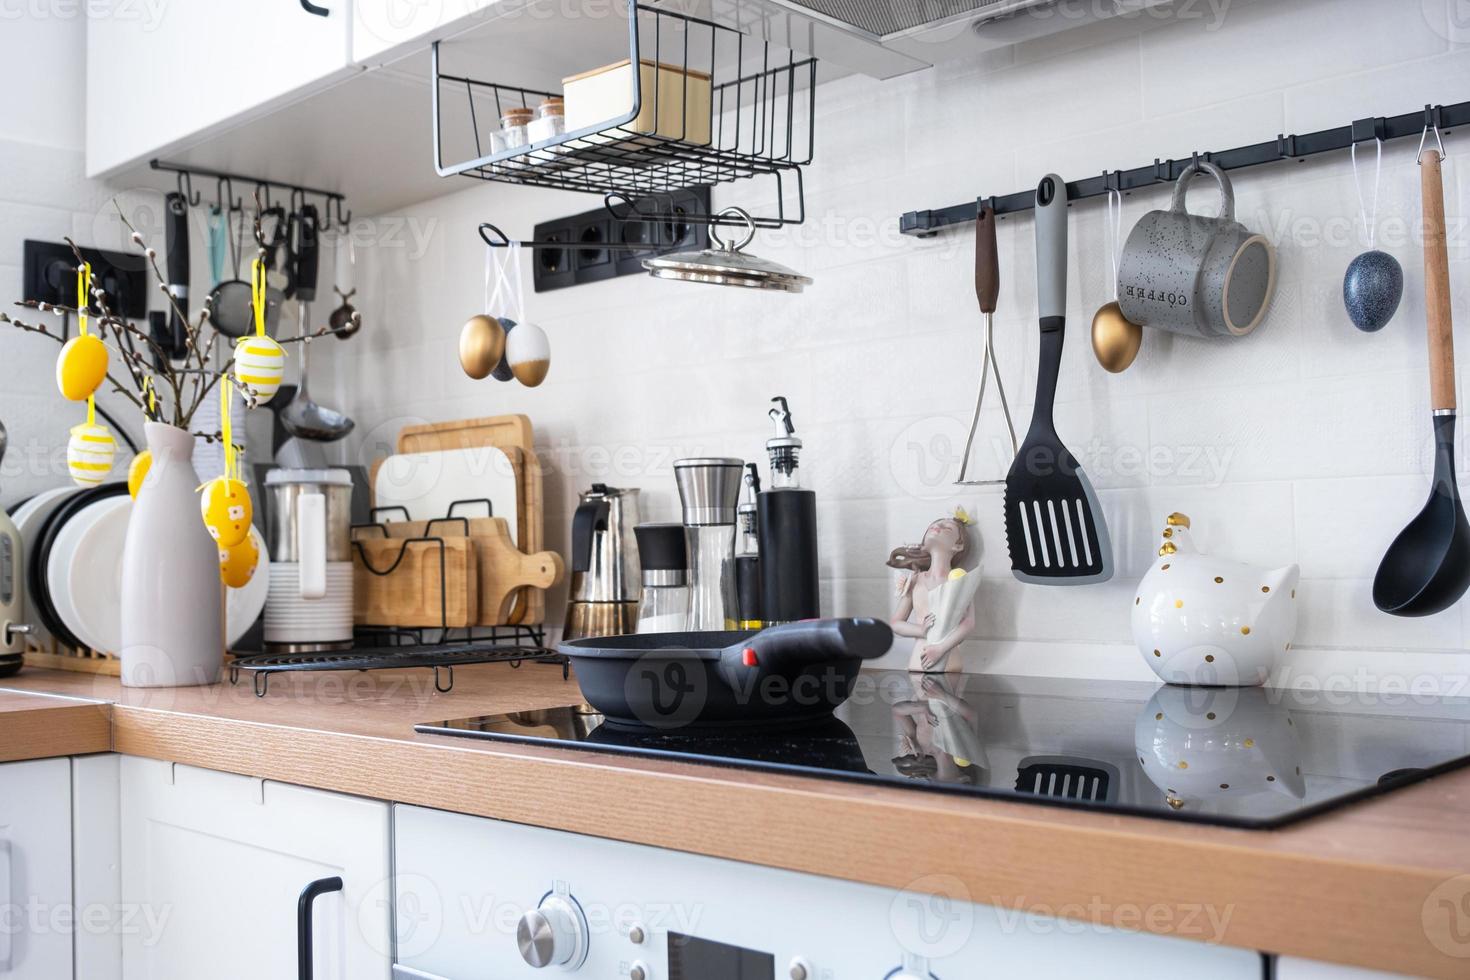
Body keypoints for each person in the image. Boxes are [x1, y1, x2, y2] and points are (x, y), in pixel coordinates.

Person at [887, 508, 980, 673]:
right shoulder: (915, 579)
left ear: (958, 545)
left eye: (947, 528)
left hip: (949, 662)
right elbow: (895, 623)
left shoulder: (959, 580)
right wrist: (921, 631)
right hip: (918, 661)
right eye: (934, 525)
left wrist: (941, 648)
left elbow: (968, 623)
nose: (937, 527)